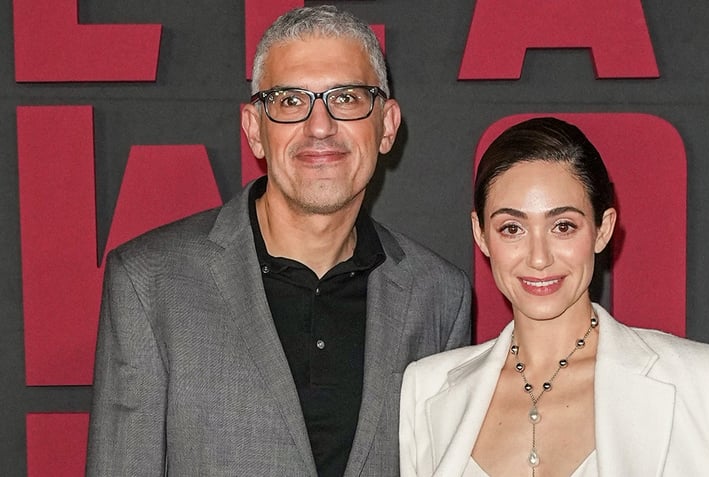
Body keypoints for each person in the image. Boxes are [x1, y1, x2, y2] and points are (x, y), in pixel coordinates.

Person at [86, 6, 471, 476]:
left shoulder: (439, 295)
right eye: (290, 101)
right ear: (254, 130)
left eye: (346, 98)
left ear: (387, 126)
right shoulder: (149, 283)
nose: (320, 127)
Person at [399, 117, 709, 476]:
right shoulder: (426, 389)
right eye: (512, 228)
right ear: (480, 234)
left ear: (603, 230)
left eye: (563, 226)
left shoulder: (698, 383)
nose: (539, 257)